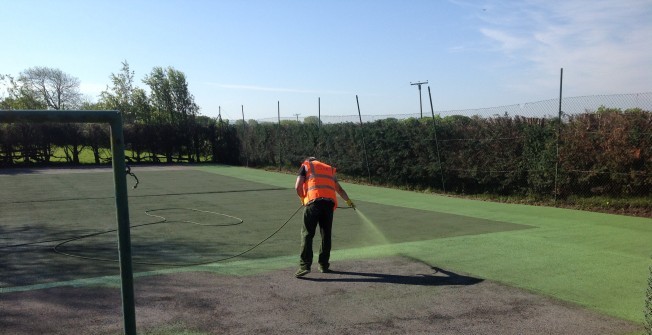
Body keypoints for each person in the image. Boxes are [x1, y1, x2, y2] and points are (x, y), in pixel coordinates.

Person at [294, 157, 355, 278]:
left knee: (307, 234)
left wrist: (302, 198)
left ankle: (304, 266)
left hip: (313, 203)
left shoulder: (306, 165)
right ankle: (323, 265)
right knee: (326, 235)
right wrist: (348, 201)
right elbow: (339, 189)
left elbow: (298, 186)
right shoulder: (328, 169)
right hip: (328, 205)